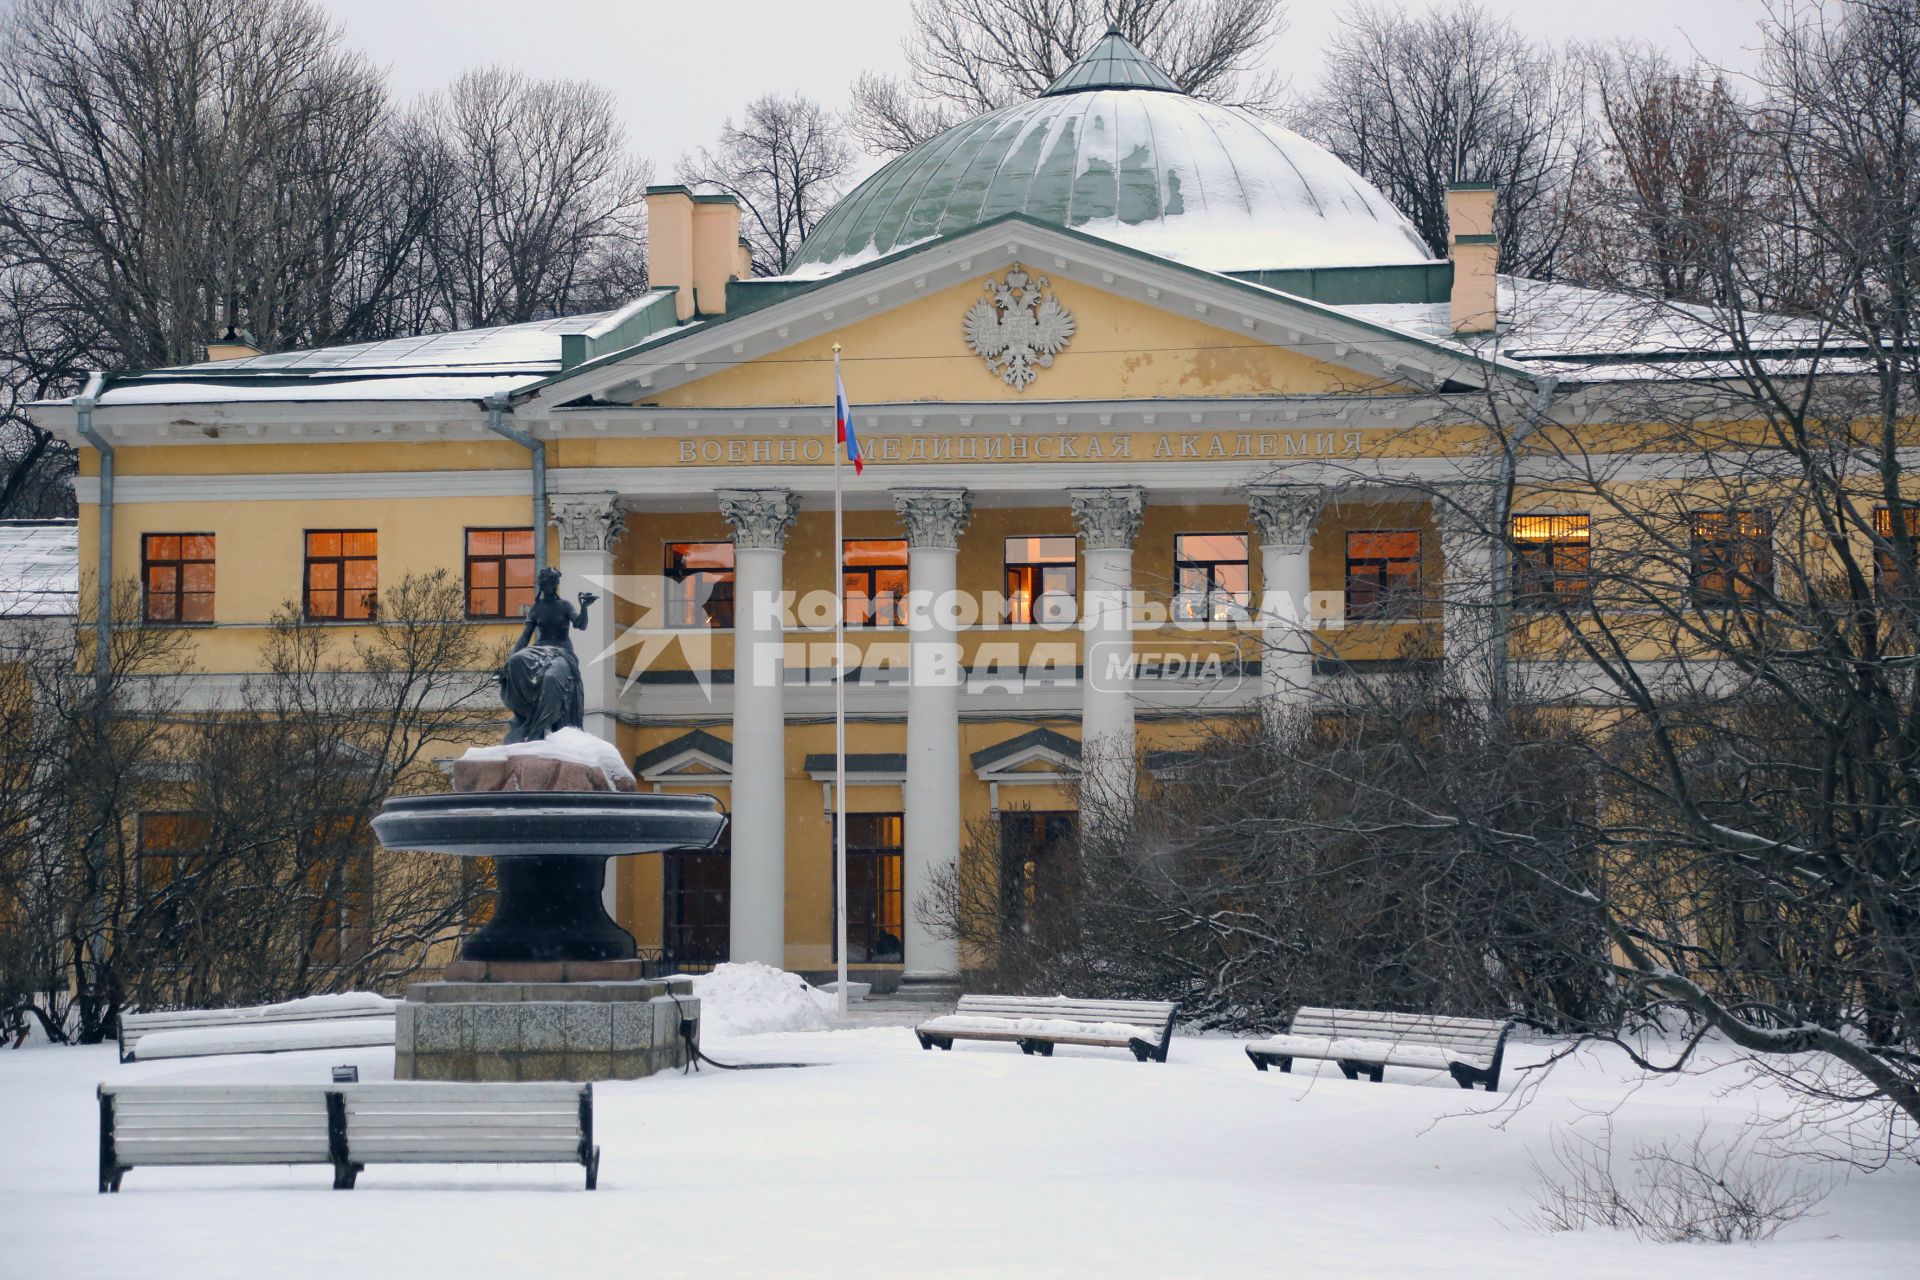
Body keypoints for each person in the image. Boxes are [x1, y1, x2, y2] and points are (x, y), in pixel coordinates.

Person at [499, 568, 599, 742]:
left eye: (554, 583)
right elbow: (525, 636)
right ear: (542, 585)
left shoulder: (565, 606)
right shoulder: (536, 608)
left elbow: (580, 625)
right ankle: (527, 711)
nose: (552, 586)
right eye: (549, 583)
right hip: (540, 651)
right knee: (516, 661)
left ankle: (543, 725)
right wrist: (508, 662)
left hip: (562, 653)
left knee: (552, 677)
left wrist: (584, 608)